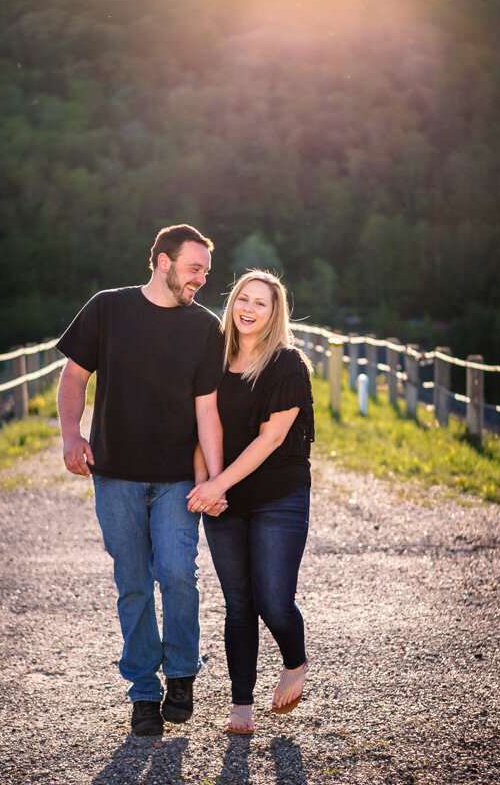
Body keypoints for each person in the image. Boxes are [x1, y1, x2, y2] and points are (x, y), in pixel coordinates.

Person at [57, 224, 225, 737]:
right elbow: (73, 377)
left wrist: (216, 480)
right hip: (115, 476)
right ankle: (143, 693)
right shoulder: (108, 308)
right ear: (162, 262)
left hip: (177, 479)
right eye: (194, 268)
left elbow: (207, 412)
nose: (201, 279)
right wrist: (70, 435)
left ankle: (181, 674)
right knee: (132, 584)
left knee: (177, 575)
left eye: (206, 272)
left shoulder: (205, 328)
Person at [187, 270, 314, 735]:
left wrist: (217, 485)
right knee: (239, 603)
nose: (249, 308)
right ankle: (242, 705)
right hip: (224, 498)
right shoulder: (213, 360)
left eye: (261, 302)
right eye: (244, 298)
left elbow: (271, 439)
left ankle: (295, 661)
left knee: (274, 601)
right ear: (232, 302)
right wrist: (207, 487)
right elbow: (201, 427)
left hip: (278, 494)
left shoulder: (288, 364)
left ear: (274, 312)